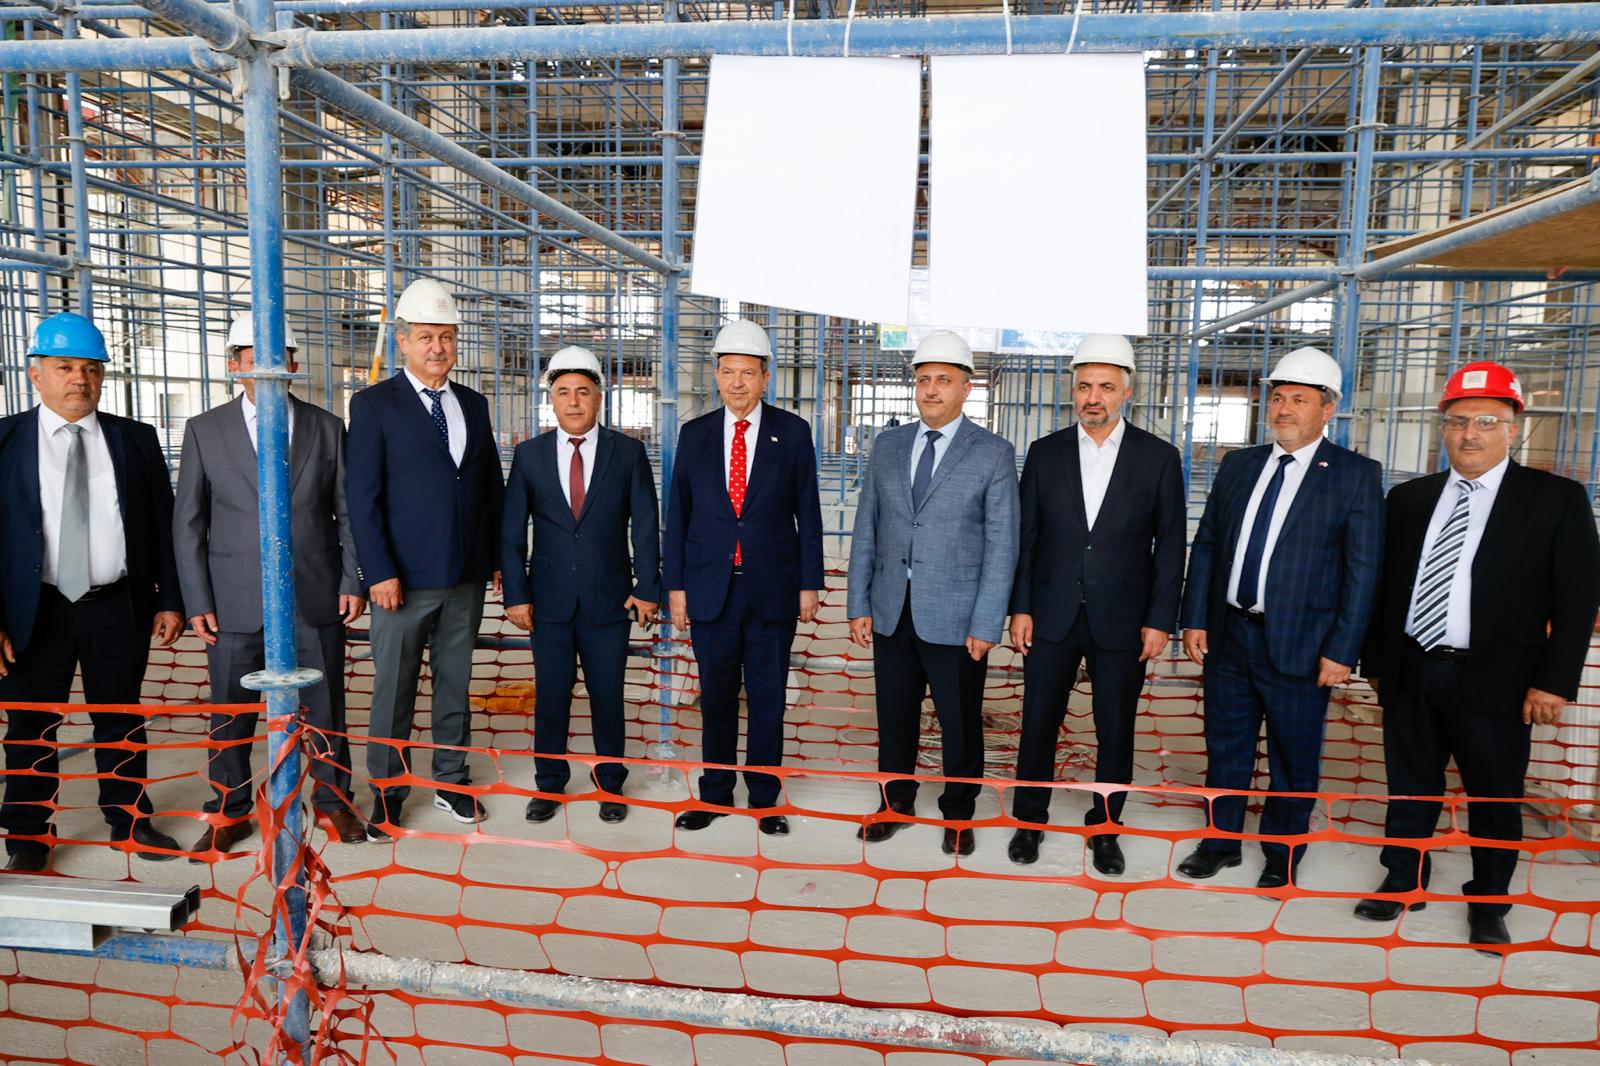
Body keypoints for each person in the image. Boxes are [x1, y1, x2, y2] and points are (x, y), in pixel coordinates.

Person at [1355, 362, 1600, 947]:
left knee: (1495, 795)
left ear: (1513, 427)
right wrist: (1379, 664)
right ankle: (1403, 878)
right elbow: (1384, 588)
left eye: (1486, 421)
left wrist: (1553, 682)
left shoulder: (1555, 500)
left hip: (1500, 679)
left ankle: (1489, 900)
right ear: (1443, 427)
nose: (1470, 434)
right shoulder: (1410, 498)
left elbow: (1577, 599)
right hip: (1413, 667)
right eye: (1458, 421)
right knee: (1409, 786)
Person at [1178, 346, 1383, 888]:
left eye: (1300, 399)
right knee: (1226, 747)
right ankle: (1219, 842)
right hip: (1230, 634)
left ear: (1327, 409)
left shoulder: (1354, 475)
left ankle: (1282, 853)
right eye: (1278, 398)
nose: (1285, 409)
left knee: (1294, 758)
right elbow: (1208, 543)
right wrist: (1195, 617)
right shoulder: (1239, 465)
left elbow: (1362, 572)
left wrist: (1342, 649)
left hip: (1302, 643)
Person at [172, 313, 368, 854]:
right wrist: (197, 599)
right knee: (230, 713)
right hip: (232, 600)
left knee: (326, 709)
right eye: (255, 357)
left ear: (294, 364)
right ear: (235, 365)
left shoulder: (326, 427)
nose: (269, 367)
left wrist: (352, 579)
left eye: (280, 356)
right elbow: (188, 522)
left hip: (314, 592)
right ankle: (230, 809)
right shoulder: (205, 430)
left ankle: (332, 802)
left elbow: (348, 514)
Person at [0, 312, 184, 869]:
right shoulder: (4, 441)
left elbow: (164, 525)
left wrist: (170, 599)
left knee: (120, 718)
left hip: (117, 605)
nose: (79, 379)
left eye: (91, 368)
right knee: (30, 725)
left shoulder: (136, 440)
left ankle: (130, 823)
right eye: (64, 367)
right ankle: (27, 839)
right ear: (35, 374)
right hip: (34, 610)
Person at [1007, 335, 1185, 873]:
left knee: (1116, 729)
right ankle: (1029, 821)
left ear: (1127, 391)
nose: (1093, 397)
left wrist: (1160, 620)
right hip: (1051, 613)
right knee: (1038, 722)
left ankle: (1105, 829)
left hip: (1123, 620)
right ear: (1073, 390)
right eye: (1084, 386)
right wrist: (1021, 607)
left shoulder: (1158, 458)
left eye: (1106, 387)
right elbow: (1027, 538)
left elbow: (1170, 545)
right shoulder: (1046, 452)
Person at [847, 330, 1019, 857]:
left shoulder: (992, 453)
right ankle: (894, 804)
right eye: (923, 379)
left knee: (959, 723)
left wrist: (986, 623)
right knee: (894, 718)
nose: (931, 389)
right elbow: (868, 527)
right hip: (891, 611)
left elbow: (1002, 545)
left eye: (944, 379)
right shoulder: (889, 445)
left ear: (967, 388)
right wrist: (859, 603)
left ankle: (959, 815)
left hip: (957, 616)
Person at [347, 279, 504, 842]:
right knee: (393, 690)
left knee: (455, 685)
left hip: (464, 576)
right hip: (402, 582)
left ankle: (451, 780)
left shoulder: (473, 404)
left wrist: (494, 559)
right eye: (425, 337)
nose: (437, 347)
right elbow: (362, 498)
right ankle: (387, 794)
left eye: (446, 336)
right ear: (403, 342)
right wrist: (378, 572)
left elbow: (488, 489)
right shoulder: (373, 405)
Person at [662, 319, 824, 836]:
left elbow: (808, 512)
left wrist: (809, 583)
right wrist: (676, 586)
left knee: (768, 695)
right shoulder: (695, 435)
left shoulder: (791, 433)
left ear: (765, 377)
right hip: (711, 587)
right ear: (715, 375)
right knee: (715, 695)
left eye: (748, 373)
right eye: (728, 371)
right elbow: (679, 515)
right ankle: (714, 792)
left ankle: (764, 798)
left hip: (772, 586)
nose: (737, 382)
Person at [502, 346, 660, 825]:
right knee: (551, 696)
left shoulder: (627, 453)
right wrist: (516, 594)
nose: (573, 401)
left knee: (608, 696)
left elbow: (645, 525)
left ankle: (610, 785)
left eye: (583, 392)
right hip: (547, 601)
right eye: (563, 392)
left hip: (609, 599)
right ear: (551, 399)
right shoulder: (529, 455)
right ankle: (549, 784)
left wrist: (648, 586)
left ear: (599, 398)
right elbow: (511, 532)